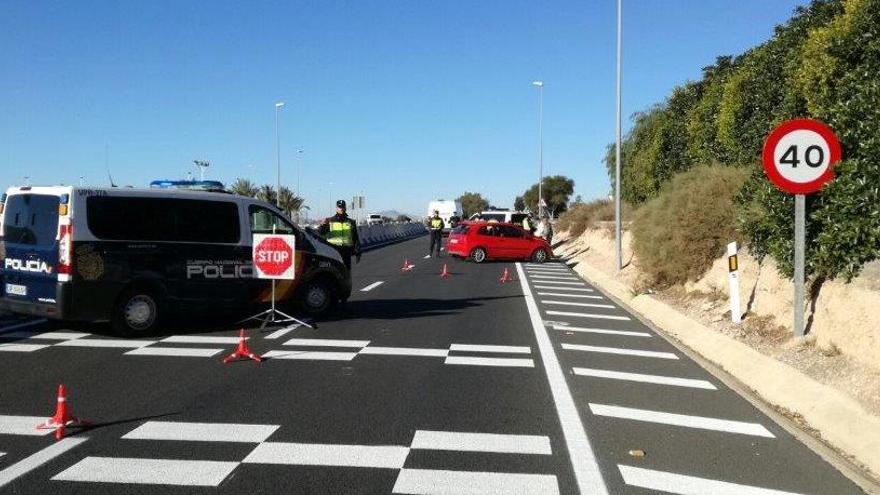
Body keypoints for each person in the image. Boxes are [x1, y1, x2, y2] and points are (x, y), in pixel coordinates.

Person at [319, 200, 361, 271]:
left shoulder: (351, 222)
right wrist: (322, 225)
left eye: (343, 207)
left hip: (346, 252)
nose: (341, 209)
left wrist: (358, 252)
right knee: (335, 273)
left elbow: (355, 238)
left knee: (346, 274)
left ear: (345, 208)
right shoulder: (330, 221)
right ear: (336, 208)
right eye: (339, 207)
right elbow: (320, 233)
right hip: (334, 252)